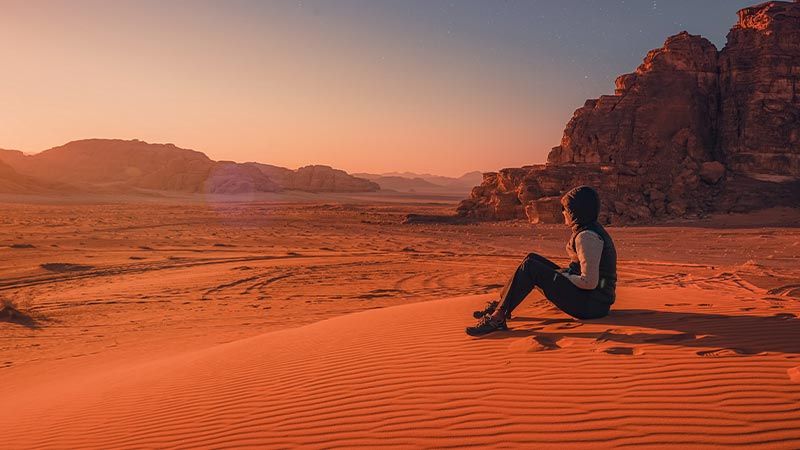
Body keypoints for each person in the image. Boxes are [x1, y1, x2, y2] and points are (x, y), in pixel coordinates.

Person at [466, 185, 617, 336]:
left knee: (530, 267)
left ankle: (497, 318)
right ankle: (501, 305)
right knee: (531, 259)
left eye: (566, 209)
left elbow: (589, 282)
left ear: (575, 212)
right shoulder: (589, 229)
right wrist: (563, 273)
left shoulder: (587, 236)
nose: (563, 213)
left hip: (591, 306)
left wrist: (564, 275)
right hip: (595, 301)